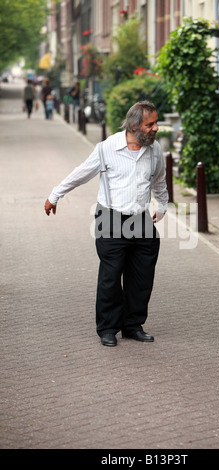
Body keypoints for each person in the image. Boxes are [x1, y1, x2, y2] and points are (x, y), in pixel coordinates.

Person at [44, 101, 169, 347]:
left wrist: (162, 205)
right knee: (111, 277)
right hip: (111, 220)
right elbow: (82, 172)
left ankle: (133, 325)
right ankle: (108, 328)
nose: (156, 128)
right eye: (150, 124)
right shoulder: (107, 148)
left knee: (141, 277)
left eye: (156, 122)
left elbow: (160, 181)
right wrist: (55, 195)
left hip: (142, 220)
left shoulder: (154, 151)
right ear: (134, 126)